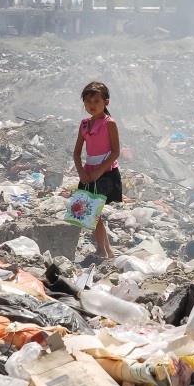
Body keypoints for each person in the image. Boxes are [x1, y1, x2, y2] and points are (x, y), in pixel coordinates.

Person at [73, 81, 122, 259]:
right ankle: (108, 250)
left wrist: (99, 171)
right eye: (88, 102)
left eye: (96, 101)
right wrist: (81, 172)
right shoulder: (84, 124)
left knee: (93, 211)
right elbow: (77, 152)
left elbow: (116, 151)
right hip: (88, 173)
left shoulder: (110, 123)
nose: (92, 105)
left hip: (106, 173)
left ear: (106, 102)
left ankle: (102, 250)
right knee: (88, 211)